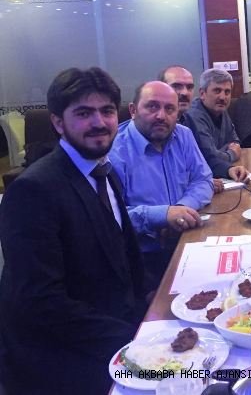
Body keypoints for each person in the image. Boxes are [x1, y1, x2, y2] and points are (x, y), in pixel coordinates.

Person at [0, 67, 146, 393]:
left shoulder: (103, 171)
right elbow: (40, 303)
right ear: (57, 122)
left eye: (107, 111)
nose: (99, 122)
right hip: (60, 358)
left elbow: (122, 258)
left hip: (112, 326)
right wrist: (134, 338)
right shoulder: (33, 191)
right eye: (83, 113)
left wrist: (153, 305)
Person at [110, 81, 215, 290]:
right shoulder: (114, 151)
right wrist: (162, 216)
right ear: (133, 110)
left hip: (189, 239)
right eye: (152, 106)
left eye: (169, 109)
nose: (161, 116)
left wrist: (181, 211)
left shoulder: (183, 135)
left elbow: (203, 179)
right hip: (142, 260)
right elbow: (110, 217)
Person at [159, 65, 224, 193]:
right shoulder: (152, 127)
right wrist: (199, 184)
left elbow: (204, 159)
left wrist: (228, 169)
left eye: (189, 87)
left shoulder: (187, 123)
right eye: (176, 86)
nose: (185, 93)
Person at [182, 68, 248, 181]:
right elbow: (208, 157)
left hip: (219, 173)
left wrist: (221, 152)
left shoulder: (220, 109)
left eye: (227, 92)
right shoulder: (193, 116)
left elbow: (235, 141)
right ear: (202, 93)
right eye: (217, 91)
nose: (222, 97)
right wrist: (231, 153)